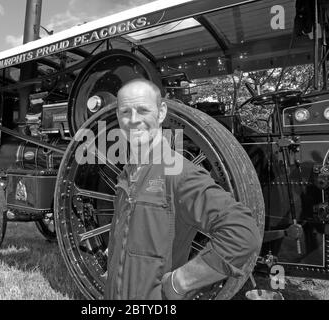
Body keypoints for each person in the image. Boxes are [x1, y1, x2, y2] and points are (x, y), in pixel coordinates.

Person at [104, 78, 261, 300]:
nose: (133, 120)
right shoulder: (128, 173)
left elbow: (242, 233)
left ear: (161, 113)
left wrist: (181, 282)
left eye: (142, 110)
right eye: (125, 112)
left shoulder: (179, 174)